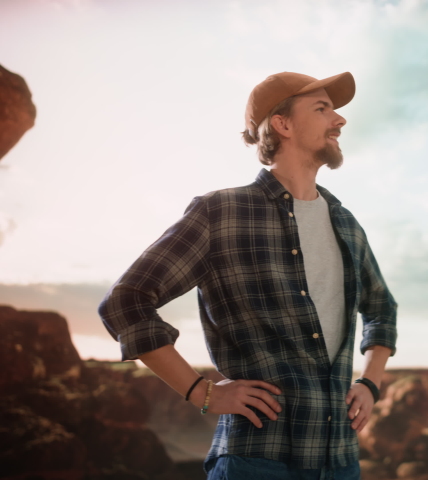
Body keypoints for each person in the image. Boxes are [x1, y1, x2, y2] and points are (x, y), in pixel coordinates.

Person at [98, 71, 397, 480]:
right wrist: (199, 392)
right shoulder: (220, 214)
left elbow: (382, 309)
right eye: (323, 108)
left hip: (340, 462)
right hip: (255, 461)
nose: (340, 120)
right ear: (283, 124)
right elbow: (126, 302)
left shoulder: (346, 224)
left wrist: (371, 384)